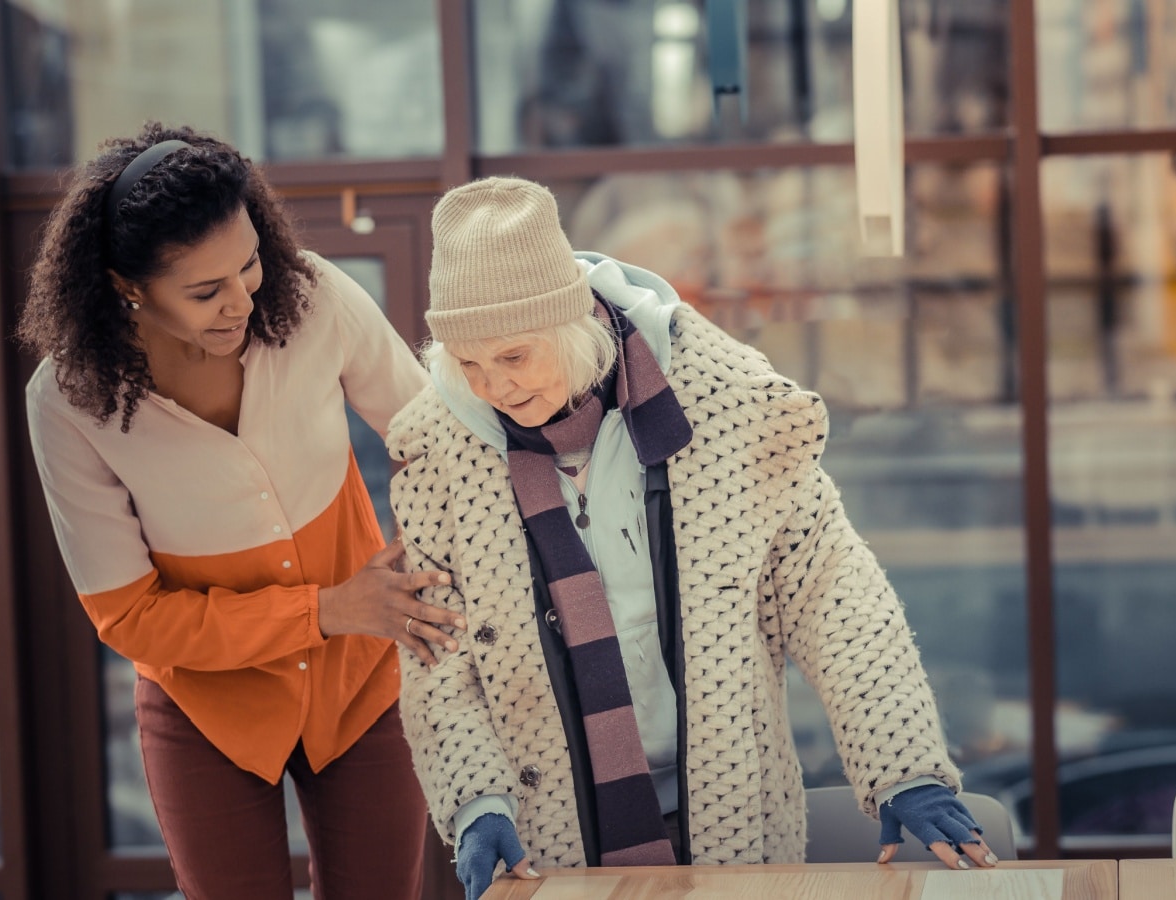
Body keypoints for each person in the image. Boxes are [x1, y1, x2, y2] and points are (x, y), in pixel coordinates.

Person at [387, 176, 997, 899]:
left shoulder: (729, 405)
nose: (493, 386)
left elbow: (834, 593)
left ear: (571, 324)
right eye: (468, 364)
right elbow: (437, 653)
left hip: (729, 799)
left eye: (515, 357)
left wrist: (906, 769)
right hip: (545, 828)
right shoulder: (439, 453)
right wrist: (476, 801)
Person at [18, 123, 461, 900]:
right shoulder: (67, 404)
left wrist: (421, 567)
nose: (242, 301)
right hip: (205, 712)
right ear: (128, 285)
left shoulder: (315, 296)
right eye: (204, 291)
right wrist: (325, 610)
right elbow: (130, 618)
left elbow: (438, 445)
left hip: (361, 687)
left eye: (250, 263)